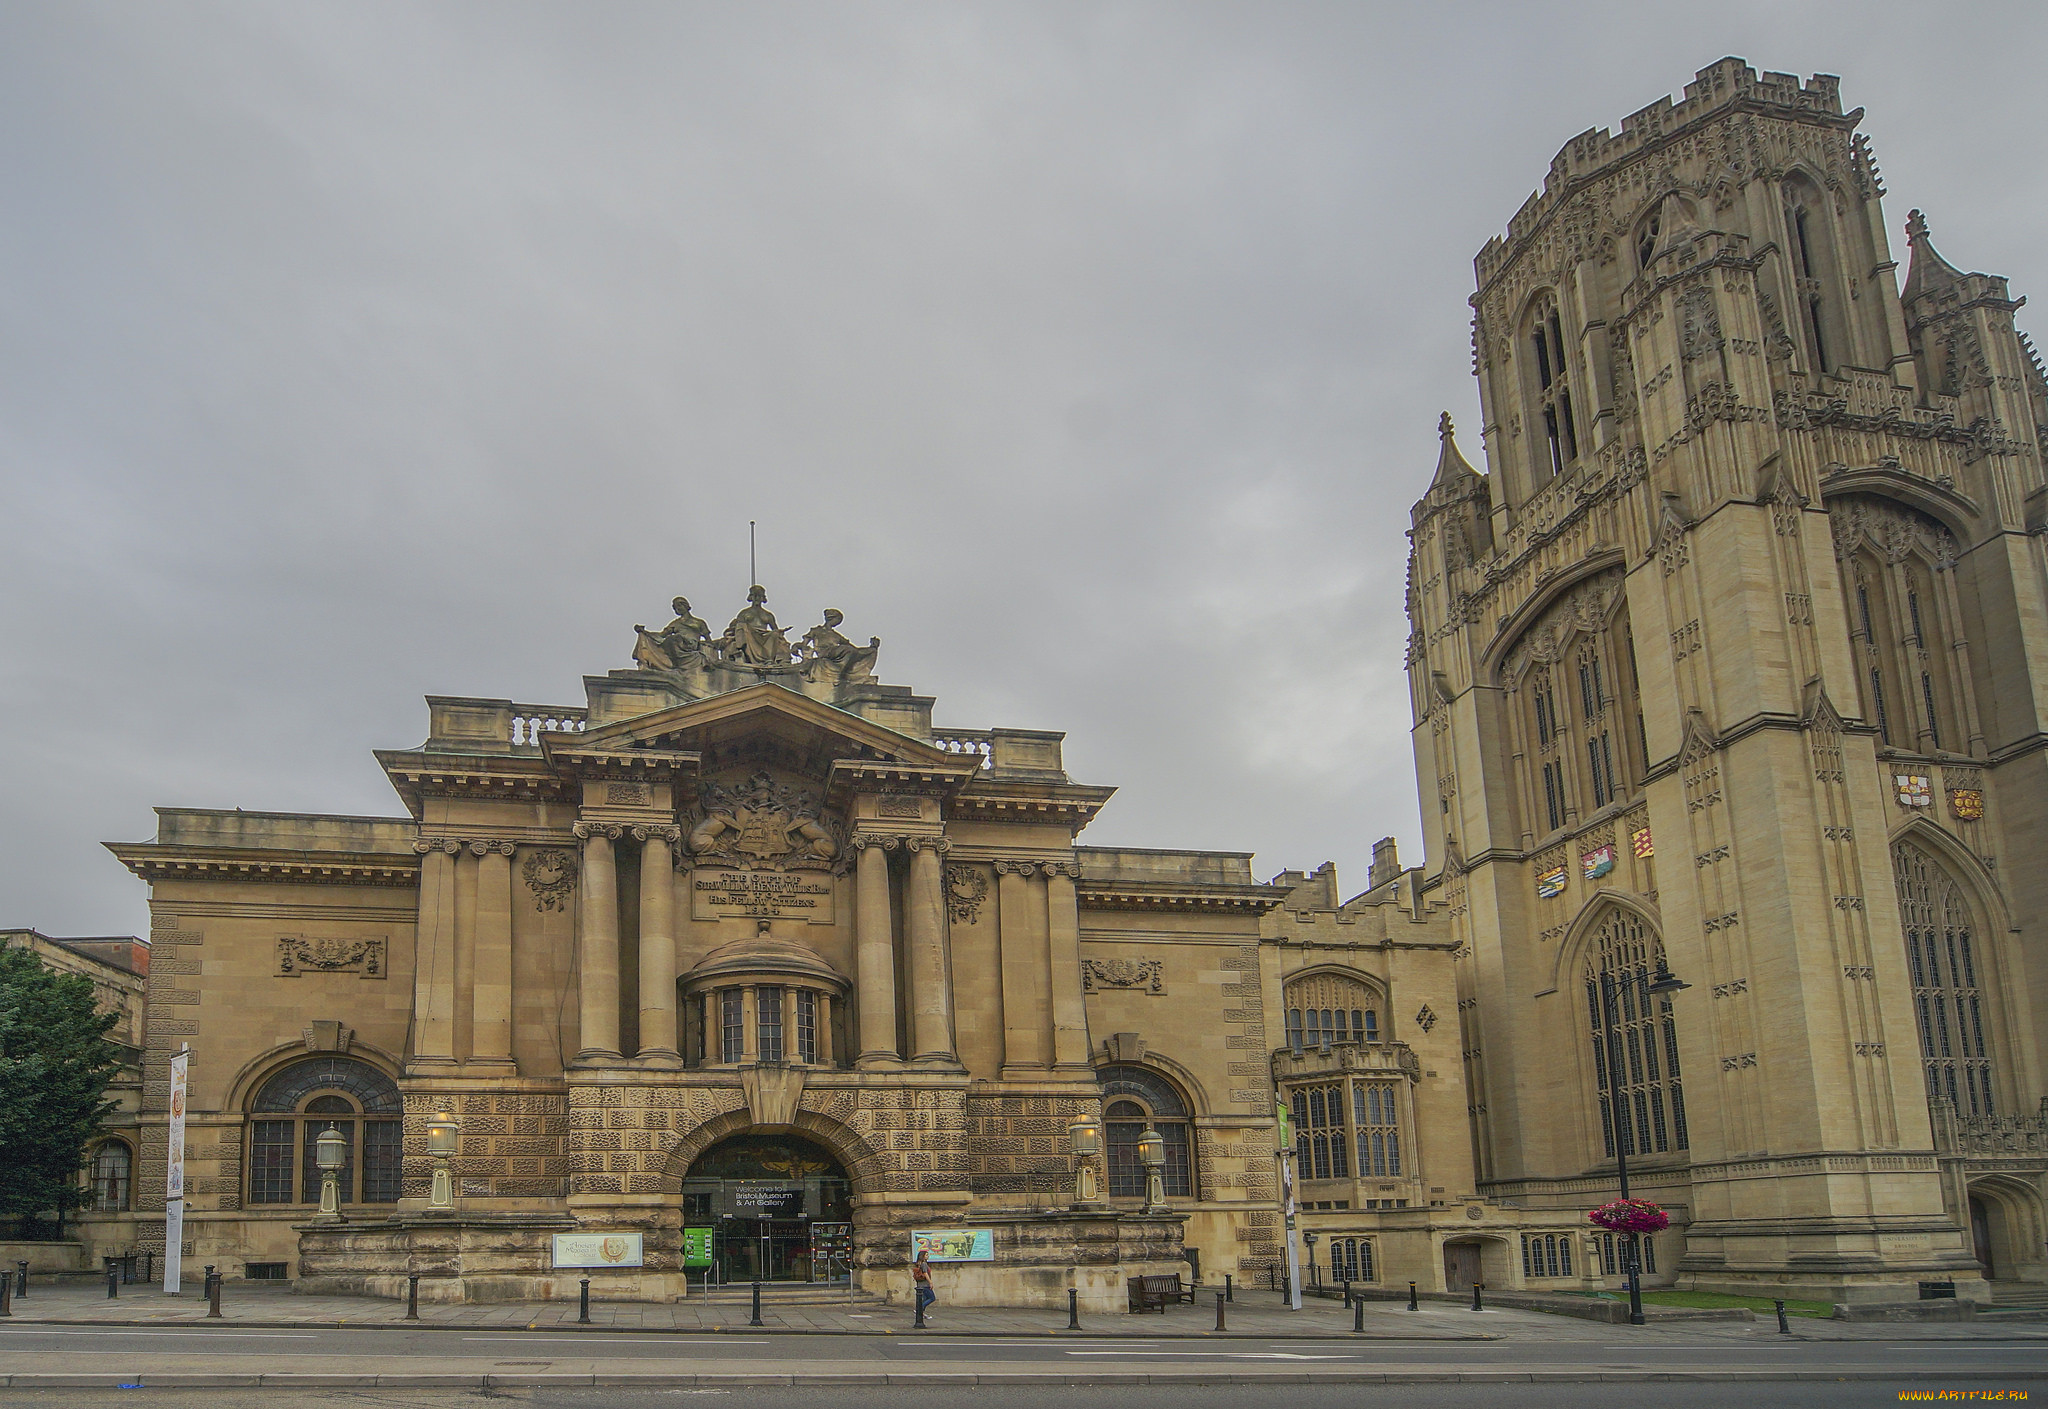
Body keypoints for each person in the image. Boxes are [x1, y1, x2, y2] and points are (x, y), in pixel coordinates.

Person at [912, 1248, 935, 1323]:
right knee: (932, 1298)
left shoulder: (919, 1263)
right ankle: (919, 1310)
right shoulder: (924, 1264)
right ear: (923, 1256)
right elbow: (925, 1273)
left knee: (924, 1299)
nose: (928, 1256)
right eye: (926, 1255)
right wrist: (930, 1282)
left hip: (920, 1285)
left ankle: (921, 1313)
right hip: (925, 1284)